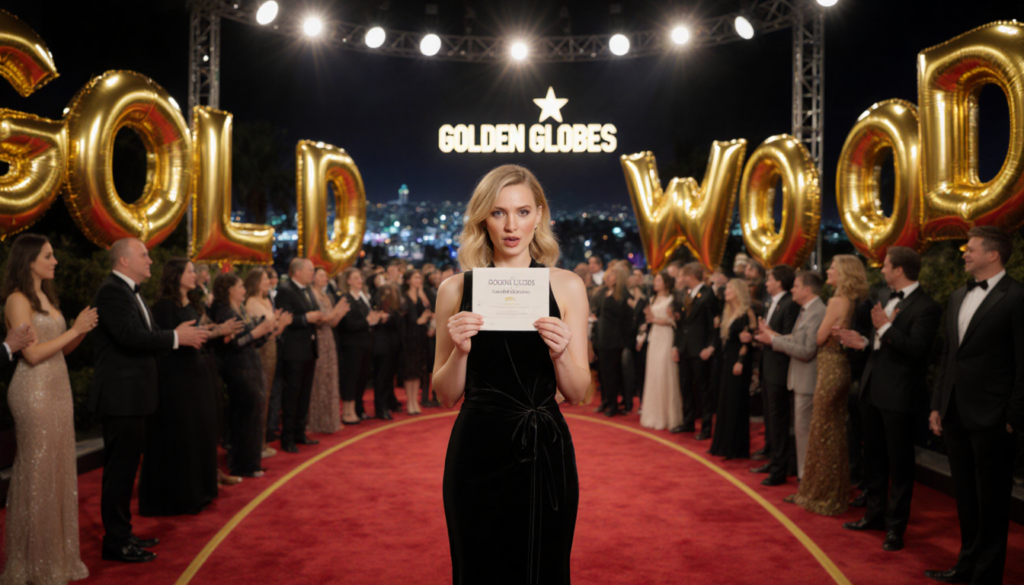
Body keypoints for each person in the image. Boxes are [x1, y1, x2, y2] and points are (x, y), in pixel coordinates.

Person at [434, 164, 588, 583]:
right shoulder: (454, 289)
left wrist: (559, 354)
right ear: (483, 217)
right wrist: (461, 352)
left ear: (539, 214)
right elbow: (445, 394)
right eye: (498, 212)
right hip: (476, 451)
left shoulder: (567, 285)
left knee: (544, 569)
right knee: (478, 570)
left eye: (522, 212)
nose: (510, 225)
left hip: (545, 451)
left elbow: (579, 392)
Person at [90, 238, 209, 563]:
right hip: (122, 397)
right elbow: (130, 337)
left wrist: (175, 333)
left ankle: (124, 534)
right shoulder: (112, 291)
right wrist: (175, 337)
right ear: (124, 260)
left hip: (135, 396)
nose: (150, 261)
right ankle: (115, 542)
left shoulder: (130, 292)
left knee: (127, 470)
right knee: (119, 472)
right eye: (144, 255)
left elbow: (147, 335)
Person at [924, 227, 1023, 585]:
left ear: (993, 254)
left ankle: (987, 575)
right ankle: (965, 565)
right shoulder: (955, 296)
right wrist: (937, 404)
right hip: (953, 413)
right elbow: (950, 356)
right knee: (965, 496)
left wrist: (1011, 418)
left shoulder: (1017, 297)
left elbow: (1023, 364)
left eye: (971, 249)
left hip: (994, 418)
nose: (964, 254)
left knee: (993, 501)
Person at [0, 234, 97, 584]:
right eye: (48, 255)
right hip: (33, 391)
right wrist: (73, 329)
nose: (55, 261)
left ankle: (56, 558)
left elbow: (61, 351)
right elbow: (33, 354)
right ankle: (33, 564)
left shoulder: (46, 297)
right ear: (29, 261)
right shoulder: (16, 299)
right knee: (38, 473)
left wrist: (80, 332)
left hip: (58, 387)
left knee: (57, 472)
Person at [833, 247, 941, 552]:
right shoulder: (883, 294)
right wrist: (864, 340)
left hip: (900, 396)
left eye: (885, 266)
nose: (880, 271)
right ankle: (874, 516)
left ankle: (896, 528)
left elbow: (917, 351)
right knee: (874, 458)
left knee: (900, 464)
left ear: (899, 270)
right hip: (870, 390)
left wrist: (884, 327)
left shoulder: (927, 307)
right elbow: (881, 345)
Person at [140, 259, 243, 517]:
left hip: (198, 374)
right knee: (183, 436)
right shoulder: (164, 307)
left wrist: (218, 331)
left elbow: (196, 335)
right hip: (177, 380)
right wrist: (206, 332)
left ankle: (201, 491)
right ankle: (182, 496)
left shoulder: (191, 303)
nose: (195, 275)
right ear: (176, 276)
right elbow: (163, 342)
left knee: (200, 433)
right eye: (190, 271)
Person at [787, 255, 868, 515]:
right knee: (833, 430)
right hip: (840, 368)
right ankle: (828, 492)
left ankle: (822, 494)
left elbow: (820, 337)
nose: (828, 271)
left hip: (830, 369)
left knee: (824, 431)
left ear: (843, 273)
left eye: (833, 268)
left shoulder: (835, 301)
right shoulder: (853, 302)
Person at [755, 270, 826, 482]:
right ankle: (802, 480)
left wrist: (773, 340)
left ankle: (804, 480)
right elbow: (796, 339)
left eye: (795, 286)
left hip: (805, 379)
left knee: (804, 433)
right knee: (800, 432)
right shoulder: (807, 310)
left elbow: (805, 350)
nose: (791, 289)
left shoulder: (817, 311)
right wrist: (772, 334)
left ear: (806, 289)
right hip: (798, 378)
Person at [211, 273, 279, 476]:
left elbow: (252, 341)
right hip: (238, 369)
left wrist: (265, 331)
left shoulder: (239, 309)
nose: (243, 290)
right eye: (240, 286)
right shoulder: (224, 312)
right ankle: (243, 465)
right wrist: (257, 333)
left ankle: (252, 462)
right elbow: (233, 344)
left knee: (255, 414)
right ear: (230, 290)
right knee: (244, 417)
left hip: (250, 365)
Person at [751, 265, 801, 485]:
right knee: (770, 419)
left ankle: (780, 468)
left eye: (769, 279)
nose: (766, 282)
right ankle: (773, 459)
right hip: (768, 366)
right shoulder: (772, 302)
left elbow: (789, 337)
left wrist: (768, 336)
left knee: (779, 419)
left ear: (779, 282)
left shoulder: (789, 304)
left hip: (779, 368)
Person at [274, 258, 324, 453]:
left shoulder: (307, 290)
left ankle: (299, 432)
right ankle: (287, 438)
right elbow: (284, 318)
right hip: (293, 351)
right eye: (310, 270)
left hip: (309, 349)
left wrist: (315, 318)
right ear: (297, 272)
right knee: (292, 395)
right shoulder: (285, 290)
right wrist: (306, 318)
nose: (312, 273)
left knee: (304, 395)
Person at [245, 267, 292, 459]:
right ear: (255, 282)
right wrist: (280, 324)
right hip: (262, 351)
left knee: (268, 394)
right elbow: (263, 330)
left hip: (272, 349)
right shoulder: (251, 302)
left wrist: (279, 323)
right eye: (264, 279)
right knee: (261, 395)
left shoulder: (266, 300)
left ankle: (262, 441)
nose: (268, 282)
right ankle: (257, 443)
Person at [709, 279, 757, 460]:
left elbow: (750, 339)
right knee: (725, 401)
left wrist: (741, 360)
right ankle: (722, 444)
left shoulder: (747, 312)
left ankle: (735, 448)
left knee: (736, 402)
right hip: (726, 360)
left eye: (729, 288)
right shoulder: (727, 312)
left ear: (738, 291)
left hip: (738, 361)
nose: (725, 291)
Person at [671, 262, 719, 439]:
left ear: (691, 276)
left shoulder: (708, 294)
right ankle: (688, 422)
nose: (681, 279)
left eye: (683, 275)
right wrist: (676, 345)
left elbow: (714, 323)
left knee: (703, 389)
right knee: (685, 387)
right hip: (685, 348)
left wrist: (711, 346)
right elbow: (681, 324)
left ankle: (706, 427)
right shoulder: (685, 294)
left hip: (700, 350)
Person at [639, 272, 682, 430]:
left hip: (666, 337)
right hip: (654, 337)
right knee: (654, 373)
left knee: (665, 372)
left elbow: (674, 320)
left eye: (658, 280)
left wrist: (654, 319)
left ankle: (668, 416)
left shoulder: (672, 300)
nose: (655, 283)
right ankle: (653, 414)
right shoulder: (652, 299)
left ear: (666, 283)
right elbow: (649, 319)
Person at [307, 267, 348, 433]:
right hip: (318, 340)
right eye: (322, 275)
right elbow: (319, 320)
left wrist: (339, 314)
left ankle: (330, 420)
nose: (325, 278)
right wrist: (335, 313)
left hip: (329, 339)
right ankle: (317, 421)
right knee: (319, 380)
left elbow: (331, 323)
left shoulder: (325, 295)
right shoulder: (311, 295)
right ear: (314, 278)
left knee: (330, 378)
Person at [337, 267, 380, 424]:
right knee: (351, 378)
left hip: (365, 343)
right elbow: (347, 324)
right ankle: (347, 412)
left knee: (362, 378)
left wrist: (374, 319)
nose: (360, 281)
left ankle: (357, 409)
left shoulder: (363, 297)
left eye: (360, 278)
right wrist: (367, 321)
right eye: (355, 278)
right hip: (351, 345)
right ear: (348, 281)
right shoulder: (345, 298)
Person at [594, 264, 631, 416]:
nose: (608, 277)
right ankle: (606, 401)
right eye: (607, 275)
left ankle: (614, 404)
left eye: (611, 275)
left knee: (613, 373)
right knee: (603, 372)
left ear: (618, 278)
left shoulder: (623, 295)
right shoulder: (603, 292)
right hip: (601, 337)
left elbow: (626, 320)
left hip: (615, 339)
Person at [399, 268, 433, 415]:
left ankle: (415, 401)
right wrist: (420, 320)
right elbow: (406, 319)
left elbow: (428, 308)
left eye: (419, 278)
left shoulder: (419, 295)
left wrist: (423, 319)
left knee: (418, 369)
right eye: (416, 278)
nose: (419, 280)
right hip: (408, 339)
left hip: (420, 337)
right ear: (408, 281)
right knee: (409, 371)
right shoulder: (404, 297)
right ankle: (410, 401)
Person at [371, 283, 402, 419]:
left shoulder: (394, 309)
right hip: (382, 347)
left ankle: (388, 403)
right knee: (382, 378)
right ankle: (381, 408)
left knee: (389, 377)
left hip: (392, 346)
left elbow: (397, 322)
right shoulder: (378, 308)